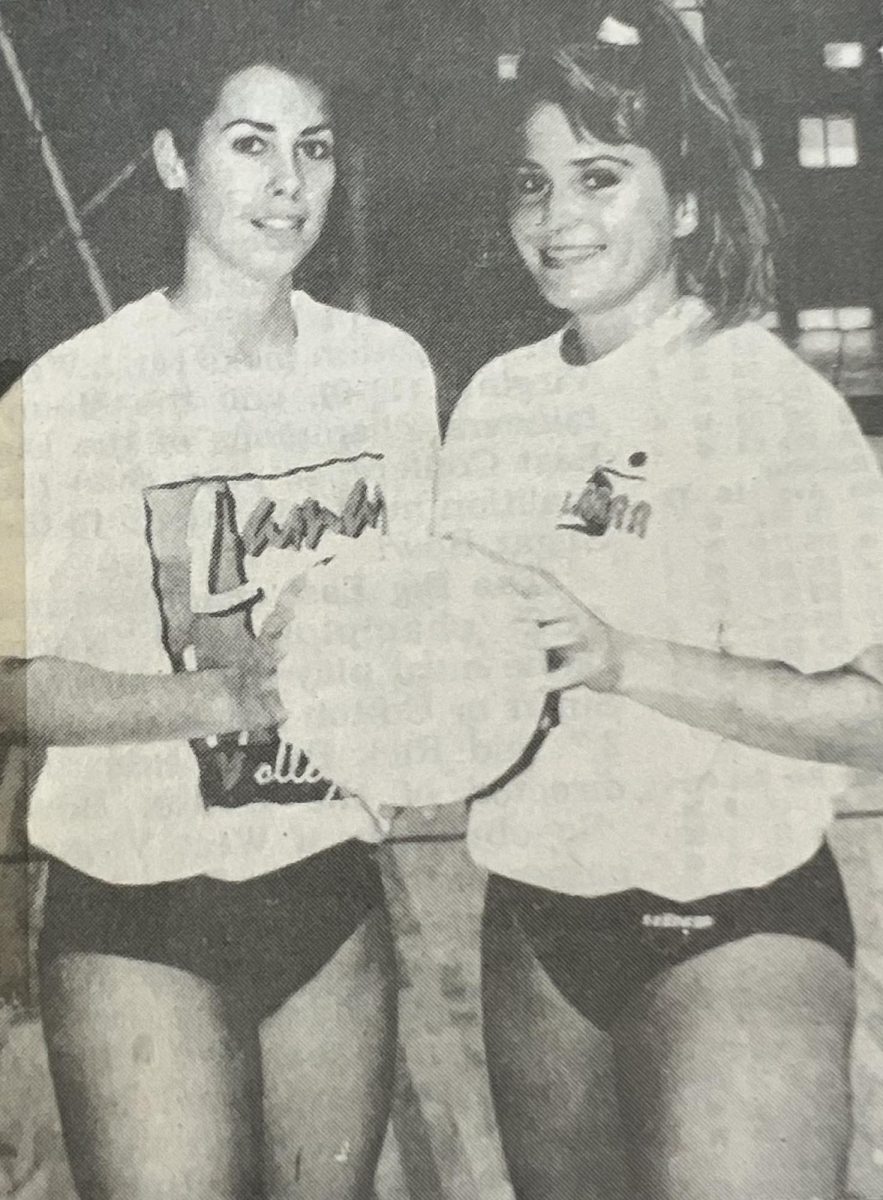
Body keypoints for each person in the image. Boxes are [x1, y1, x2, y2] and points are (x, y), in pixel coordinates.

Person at [435, 4, 883, 1198]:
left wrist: (623, 658)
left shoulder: (766, 402)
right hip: (534, 923)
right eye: (531, 185)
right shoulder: (494, 401)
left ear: (683, 200)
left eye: (597, 176)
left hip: (737, 925)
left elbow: (874, 715)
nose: (556, 217)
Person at [0, 36, 438, 1200]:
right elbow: (7, 680)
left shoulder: (390, 376)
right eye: (249, 146)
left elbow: (425, 633)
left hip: (327, 896)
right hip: (132, 906)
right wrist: (225, 695)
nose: (287, 183)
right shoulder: (71, 389)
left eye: (314, 150)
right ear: (172, 161)